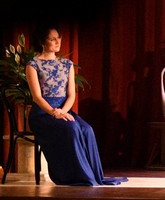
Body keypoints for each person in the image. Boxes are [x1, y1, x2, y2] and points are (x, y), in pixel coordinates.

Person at [24, 28, 126, 185]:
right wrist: (53, 113)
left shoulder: (67, 64)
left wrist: (62, 112)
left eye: (59, 38)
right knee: (71, 128)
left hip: (64, 110)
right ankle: (77, 176)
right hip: (43, 114)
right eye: (52, 39)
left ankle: (93, 175)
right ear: (43, 41)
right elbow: (37, 97)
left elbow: (71, 95)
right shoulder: (33, 65)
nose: (58, 42)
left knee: (87, 129)